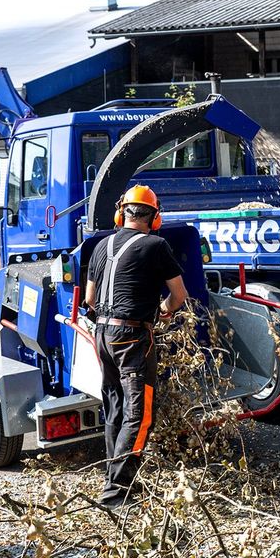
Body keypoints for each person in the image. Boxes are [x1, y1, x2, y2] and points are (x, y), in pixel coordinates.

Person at [84, 184, 187, 508]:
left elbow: (89, 299)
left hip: (102, 336)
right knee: (140, 415)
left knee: (115, 408)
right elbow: (179, 295)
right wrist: (164, 311)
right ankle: (116, 493)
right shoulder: (156, 245)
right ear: (154, 217)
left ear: (121, 212)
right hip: (131, 340)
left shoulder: (101, 245)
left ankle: (115, 482)